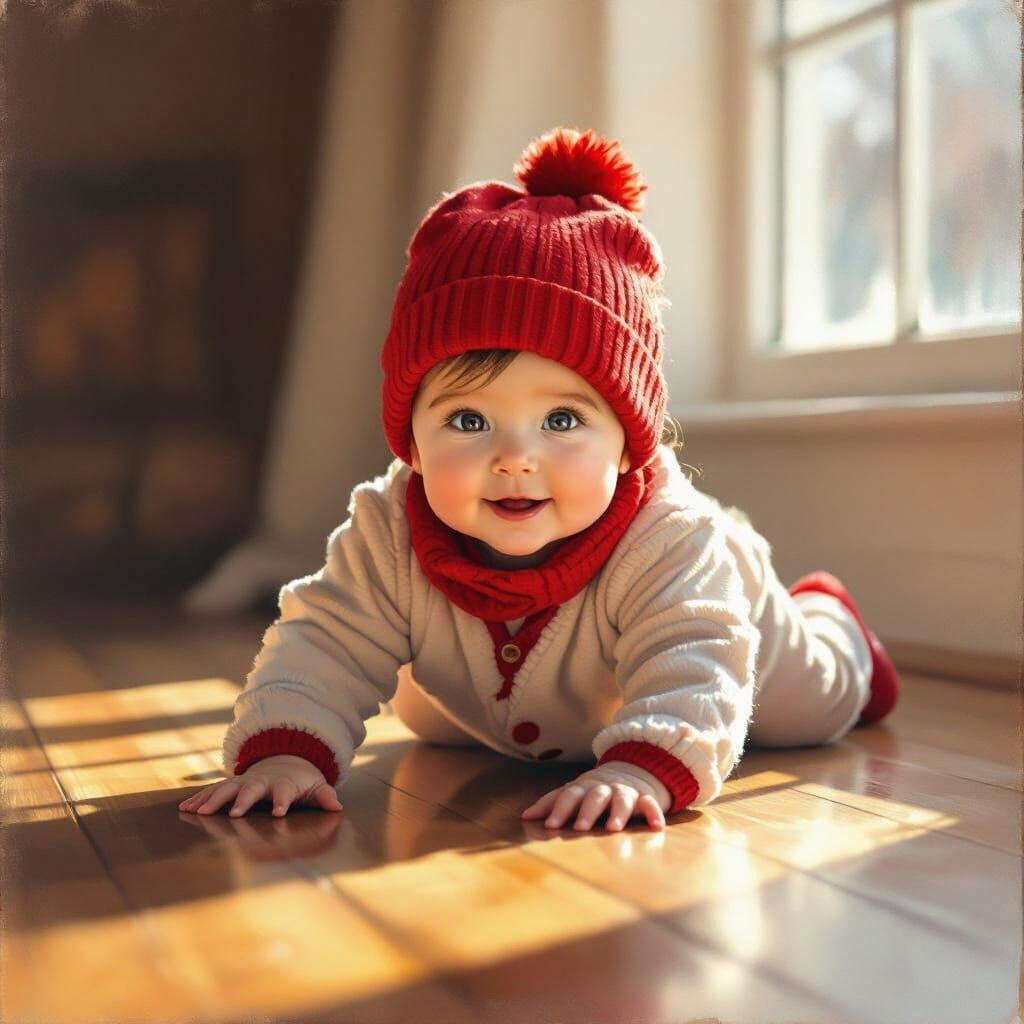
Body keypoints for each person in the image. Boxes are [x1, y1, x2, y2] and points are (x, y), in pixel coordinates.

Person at [179, 126, 899, 833]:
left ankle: (832, 619)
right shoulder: (387, 529)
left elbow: (695, 668)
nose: (515, 457)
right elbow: (325, 643)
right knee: (430, 713)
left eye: (561, 420)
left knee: (807, 711)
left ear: (629, 445)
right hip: (489, 702)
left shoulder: (671, 543)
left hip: (735, 623)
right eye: (468, 420)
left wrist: (641, 769)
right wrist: (284, 751)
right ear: (412, 444)